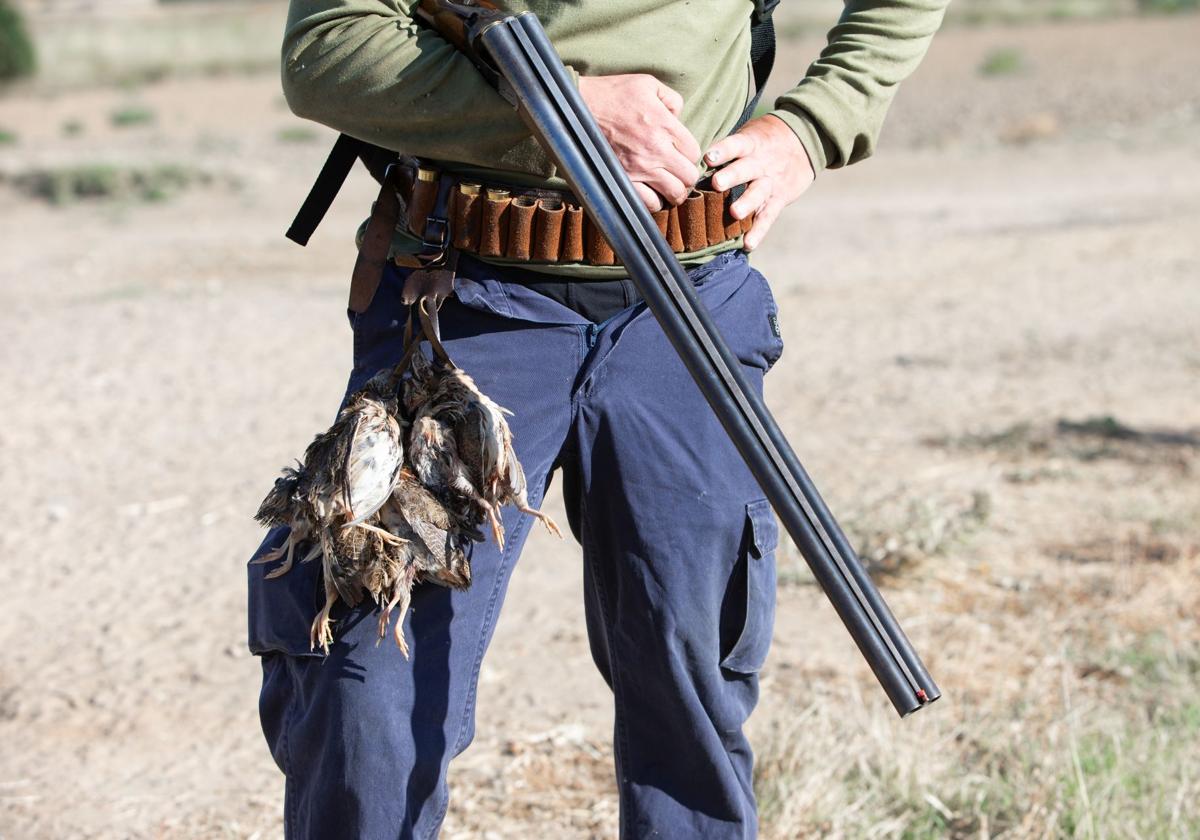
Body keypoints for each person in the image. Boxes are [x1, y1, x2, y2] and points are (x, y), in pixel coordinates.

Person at [248, 1, 948, 837]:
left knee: (688, 677)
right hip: (464, 295)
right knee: (369, 665)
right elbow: (329, 45)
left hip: (688, 294)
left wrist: (815, 125)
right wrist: (557, 113)